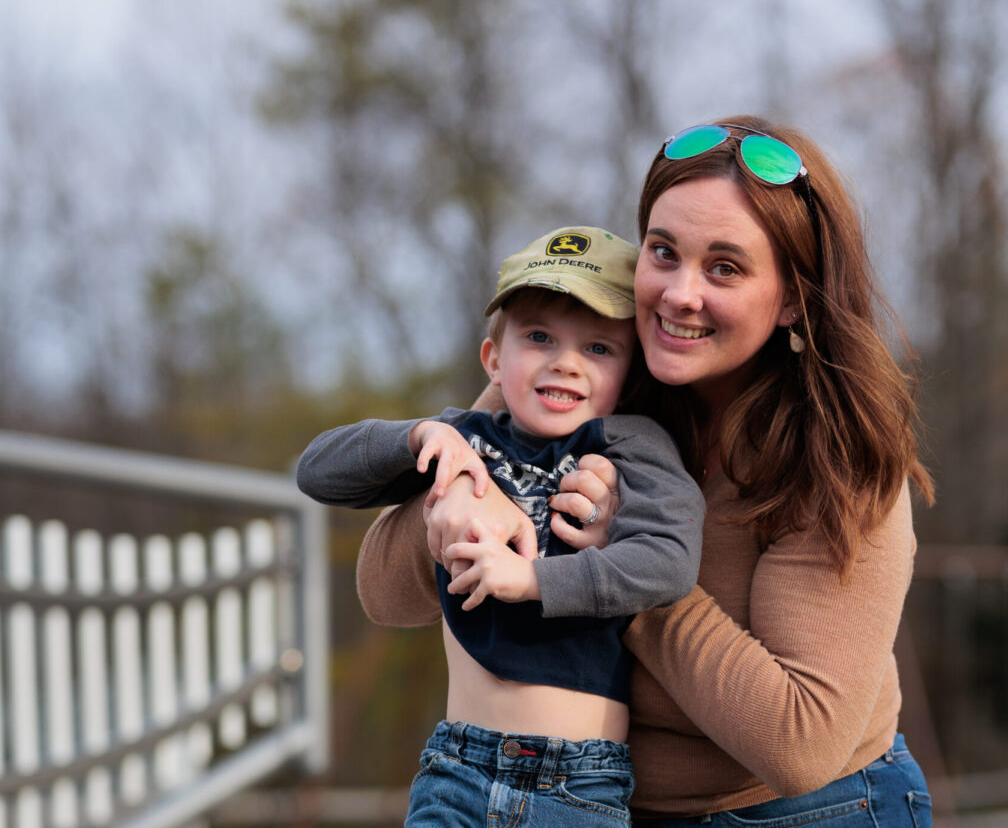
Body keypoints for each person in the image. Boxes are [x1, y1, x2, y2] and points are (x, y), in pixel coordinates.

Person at [356, 117, 937, 827]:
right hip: (597, 802)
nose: (678, 294)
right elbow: (384, 594)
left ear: (791, 297)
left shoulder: (837, 456)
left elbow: (800, 743)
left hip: (815, 810)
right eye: (664, 253)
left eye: (724, 267)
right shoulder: (590, 369)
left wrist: (622, 560)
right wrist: (451, 508)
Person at [297, 225, 704, 827]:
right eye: (539, 336)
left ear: (629, 373)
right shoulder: (466, 439)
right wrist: (420, 435)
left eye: (598, 348)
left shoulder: (633, 446)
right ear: (495, 357)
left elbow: (669, 560)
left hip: (578, 780)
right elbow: (317, 472)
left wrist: (532, 580)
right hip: (457, 767)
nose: (565, 362)